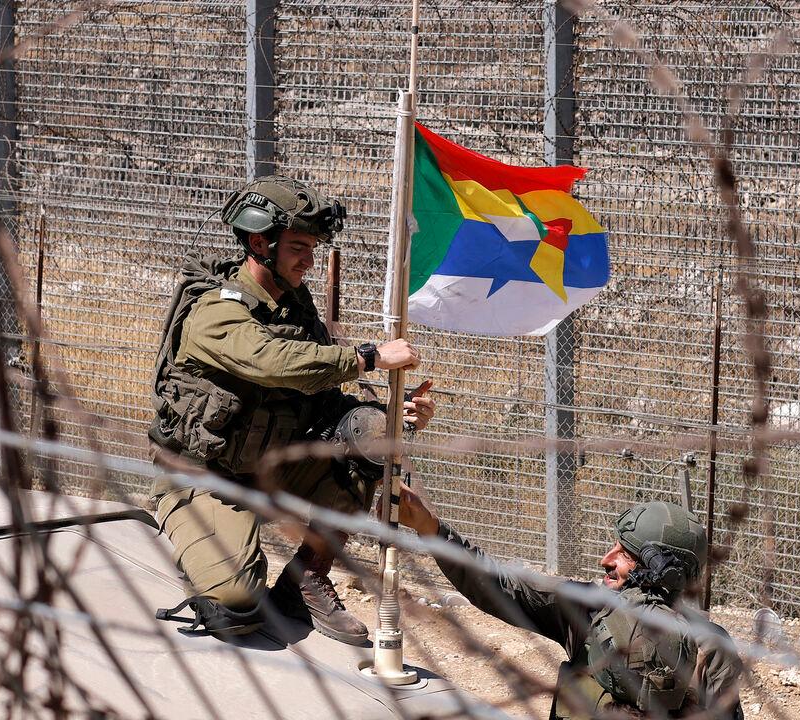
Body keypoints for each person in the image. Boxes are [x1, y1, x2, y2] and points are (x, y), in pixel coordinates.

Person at [148, 175, 436, 645]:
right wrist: (368, 356)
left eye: (314, 248)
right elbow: (274, 362)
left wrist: (394, 415)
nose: (309, 260)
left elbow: (320, 396)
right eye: (299, 246)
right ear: (260, 242)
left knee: (371, 433)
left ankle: (305, 580)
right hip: (205, 474)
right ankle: (202, 538)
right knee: (236, 607)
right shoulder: (216, 309)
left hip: (272, 465)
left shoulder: (294, 309)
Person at [397, 485, 744, 720]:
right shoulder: (590, 609)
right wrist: (430, 528)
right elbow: (499, 585)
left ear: (667, 574)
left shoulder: (711, 650)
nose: (605, 560)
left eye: (625, 554)